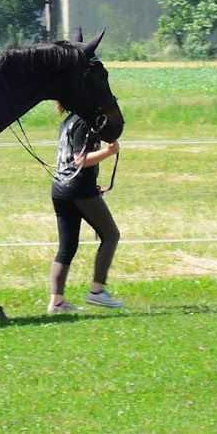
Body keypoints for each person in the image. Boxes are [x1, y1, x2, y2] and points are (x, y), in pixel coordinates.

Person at [48, 101, 123, 312]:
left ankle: (57, 301)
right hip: (79, 188)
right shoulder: (84, 122)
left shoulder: (69, 121)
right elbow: (80, 159)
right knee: (110, 235)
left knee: (67, 246)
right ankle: (97, 291)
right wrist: (109, 152)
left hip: (60, 187)